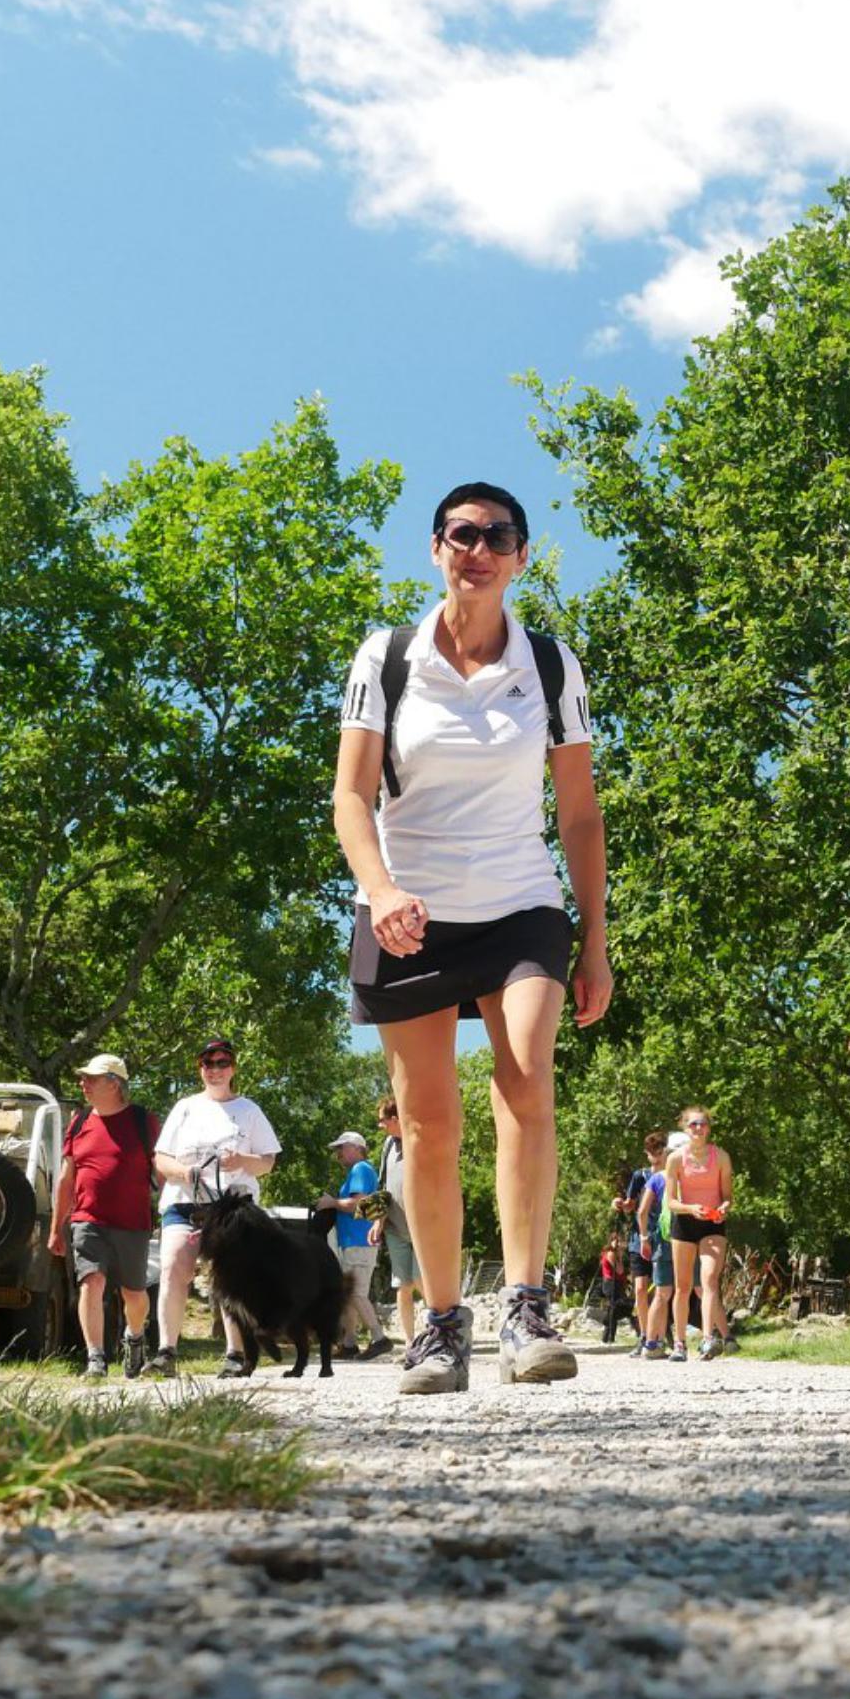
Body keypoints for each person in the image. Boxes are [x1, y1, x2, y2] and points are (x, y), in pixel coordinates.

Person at [331, 479, 612, 1394]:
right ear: (436, 548)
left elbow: (578, 815)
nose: (479, 548)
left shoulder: (552, 665)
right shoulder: (389, 657)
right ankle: (442, 1327)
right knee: (428, 1124)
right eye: (462, 533)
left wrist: (595, 940)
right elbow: (351, 795)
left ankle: (527, 1310)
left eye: (498, 536)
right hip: (410, 912)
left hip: (521, 904)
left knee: (527, 1085)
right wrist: (379, 892)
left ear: (521, 557)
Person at [152, 1037, 280, 1380]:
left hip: (232, 1206)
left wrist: (241, 1160)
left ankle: (236, 1353)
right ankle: (166, 1351)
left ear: (233, 1068)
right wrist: (182, 1171)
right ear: (201, 1069)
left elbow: (268, 1162)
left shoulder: (249, 1111)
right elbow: (161, 1158)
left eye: (223, 1063)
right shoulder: (185, 1107)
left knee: (230, 1277)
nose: (216, 1070)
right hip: (185, 1202)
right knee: (173, 1269)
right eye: (209, 1064)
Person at [48, 1053, 158, 1380]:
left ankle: (134, 1337)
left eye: (91, 1078)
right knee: (91, 1283)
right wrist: (57, 1229)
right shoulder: (79, 1122)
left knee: (133, 1294)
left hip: (133, 1223)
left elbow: (161, 1168)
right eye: (83, 1078)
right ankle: (95, 1359)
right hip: (87, 1220)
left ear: (115, 1083)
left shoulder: (143, 1121)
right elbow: (67, 1180)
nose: (83, 1083)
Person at [663, 1105, 735, 1360]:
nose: (698, 1128)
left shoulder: (722, 1157)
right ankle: (680, 1344)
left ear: (709, 1128)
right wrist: (690, 1208)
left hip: (712, 1224)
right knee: (682, 1287)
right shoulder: (675, 1159)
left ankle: (708, 1339)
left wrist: (724, 1207)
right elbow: (670, 1201)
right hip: (684, 1222)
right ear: (685, 1128)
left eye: (702, 1123)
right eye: (693, 1124)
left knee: (709, 1280)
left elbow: (727, 1197)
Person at [325, 1128, 390, 1358]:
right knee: (348, 1293)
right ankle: (349, 1343)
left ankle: (379, 1338)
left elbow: (358, 1203)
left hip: (360, 1241)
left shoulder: (361, 1169)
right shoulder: (357, 1171)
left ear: (355, 1148)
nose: (338, 1154)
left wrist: (331, 1203)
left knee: (356, 1293)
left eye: (341, 1149)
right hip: (352, 1242)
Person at [373, 1095, 418, 1348]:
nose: (380, 1126)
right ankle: (411, 1342)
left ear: (396, 1119)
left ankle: (441, 1330)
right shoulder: (389, 1145)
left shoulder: (418, 1140)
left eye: (382, 1120)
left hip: (422, 1229)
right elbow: (382, 1185)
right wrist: (378, 1221)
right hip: (395, 1228)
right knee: (403, 1285)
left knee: (424, 1282)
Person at [631, 1129, 673, 1358]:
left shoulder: (676, 1176)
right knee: (640, 1289)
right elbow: (635, 1208)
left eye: (660, 1150)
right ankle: (645, 1336)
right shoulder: (642, 1176)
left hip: (666, 1238)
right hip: (641, 1239)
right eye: (652, 1151)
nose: (656, 1155)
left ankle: (659, 1337)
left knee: (662, 1288)